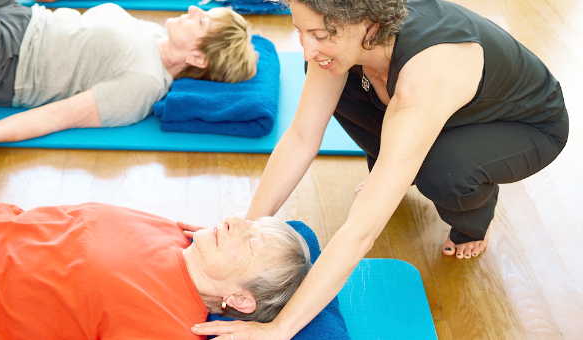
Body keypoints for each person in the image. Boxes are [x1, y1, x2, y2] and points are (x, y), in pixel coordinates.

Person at [187, 0, 569, 338]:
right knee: (345, 86)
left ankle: (473, 215)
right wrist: (246, 229)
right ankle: (398, 163)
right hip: (430, 108)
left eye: (318, 34)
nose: (306, 47)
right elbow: (303, 137)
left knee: (441, 170)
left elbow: (362, 230)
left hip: (523, 125)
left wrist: (281, 329)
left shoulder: (429, 68)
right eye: (300, 32)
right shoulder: (342, 40)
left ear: (368, 24)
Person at [0, 83, 309, 340]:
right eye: (253, 224)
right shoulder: (177, 234)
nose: (237, 222)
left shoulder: (166, 327)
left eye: (252, 241)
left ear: (241, 300)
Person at [0, 0, 258, 162]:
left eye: (203, 22)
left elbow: (56, 116)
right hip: (19, 17)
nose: (195, 10)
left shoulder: (142, 84)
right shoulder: (155, 35)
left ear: (198, 59)